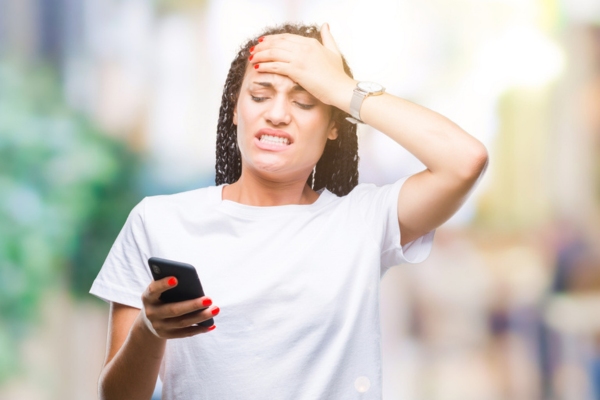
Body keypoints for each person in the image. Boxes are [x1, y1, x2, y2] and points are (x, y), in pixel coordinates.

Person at [90, 22, 488, 400]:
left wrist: (343, 88)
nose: (277, 114)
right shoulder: (159, 221)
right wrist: (149, 329)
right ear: (234, 109)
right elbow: (118, 396)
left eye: (304, 101)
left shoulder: (361, 221)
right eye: (260, 96)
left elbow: (464, 161)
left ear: (334, 124)